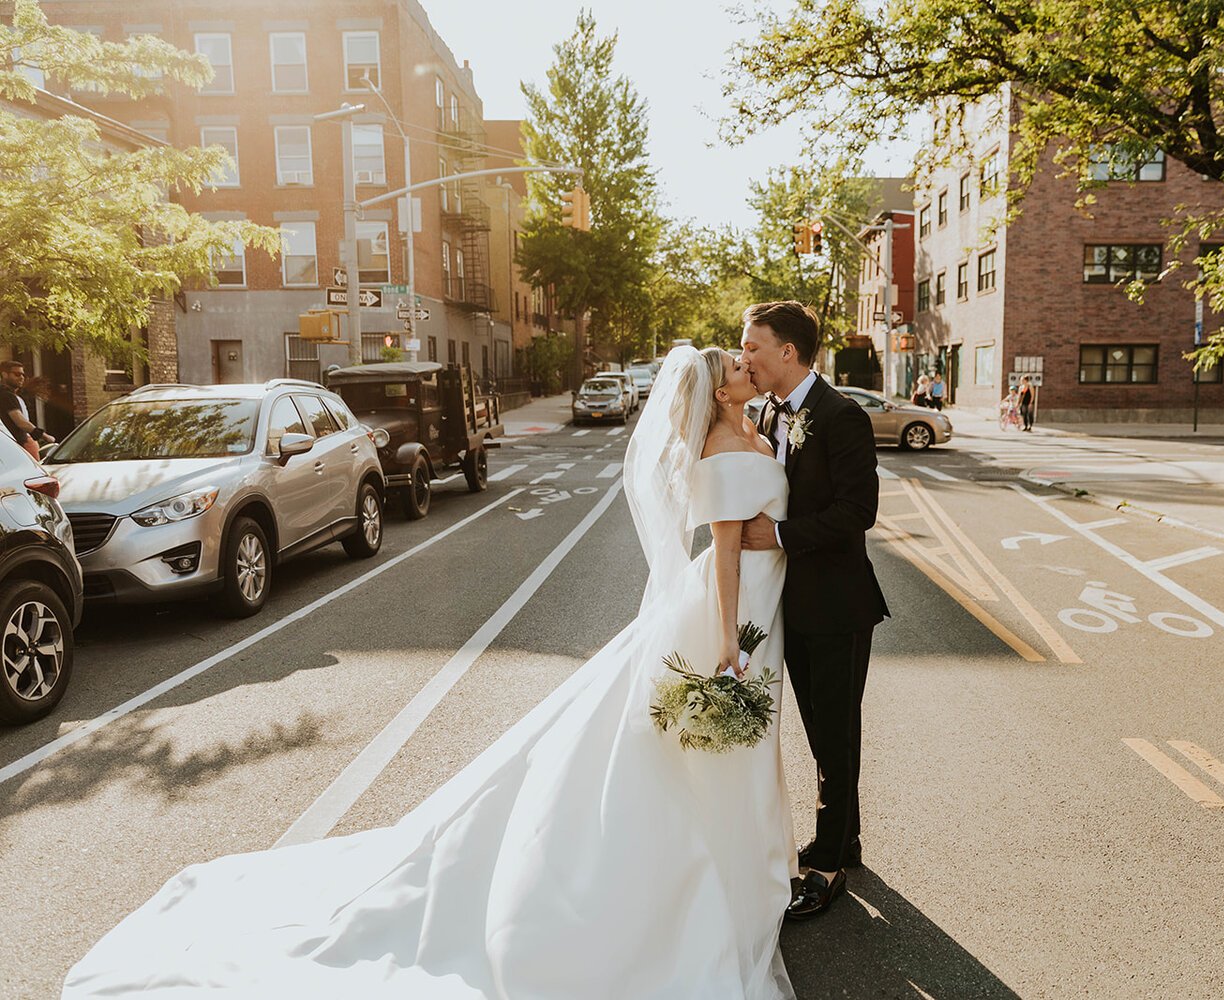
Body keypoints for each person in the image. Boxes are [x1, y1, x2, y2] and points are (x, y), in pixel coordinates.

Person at [64, 346, 798, 999]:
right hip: (732, 607)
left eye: (745, 359)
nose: (745, 366)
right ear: (717, 393)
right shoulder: (718, 449)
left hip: (760, 594)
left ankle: (747, 860)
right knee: (694, 742)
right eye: (734, 366)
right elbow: (727, 548)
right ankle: (704, 874)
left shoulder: (751, 429)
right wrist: (728, 639)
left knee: (718, 741)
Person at [740, 301, 890, 921]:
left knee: (834, 733)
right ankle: (844, 838)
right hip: (792, 608)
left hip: (837, 606)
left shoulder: (840, 416)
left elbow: (858, 513)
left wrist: (777, 537)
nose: (745, 356)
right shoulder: (770, 412)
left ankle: (828, 865)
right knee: (819, 730)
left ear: (788, 353)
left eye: (753, 347)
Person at [0, 361, 51, 460]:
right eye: (17, 374)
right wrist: (45, 436)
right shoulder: (6, 395)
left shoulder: (13, 395)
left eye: (23, 374)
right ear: (4, 374)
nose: (21, 377)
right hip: (19, 445)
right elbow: (20, 422)